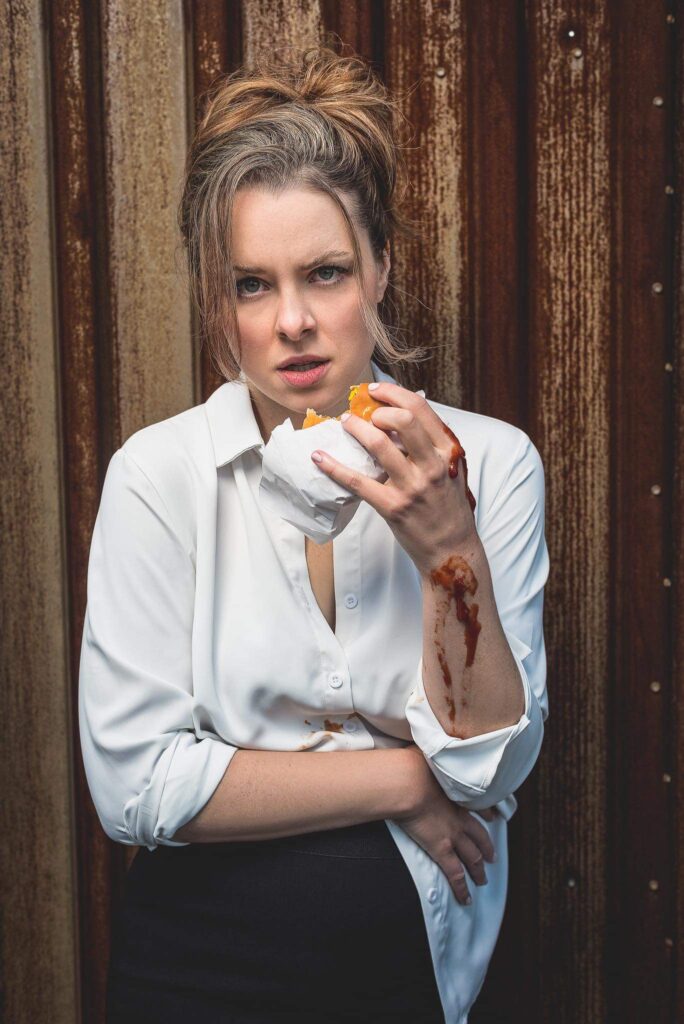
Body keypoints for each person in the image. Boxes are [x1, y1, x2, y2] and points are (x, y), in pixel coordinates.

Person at [78, 45, 549, 1024]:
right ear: (220, 300)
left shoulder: (493, 463)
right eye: (253, 284)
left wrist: (448, 550)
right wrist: (401, 779)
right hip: (190, 970)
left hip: (409, 967)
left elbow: (488, 769)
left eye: (325, 272)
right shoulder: (160, 476)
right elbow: (137, 784)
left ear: (379, 266)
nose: (291, 321)